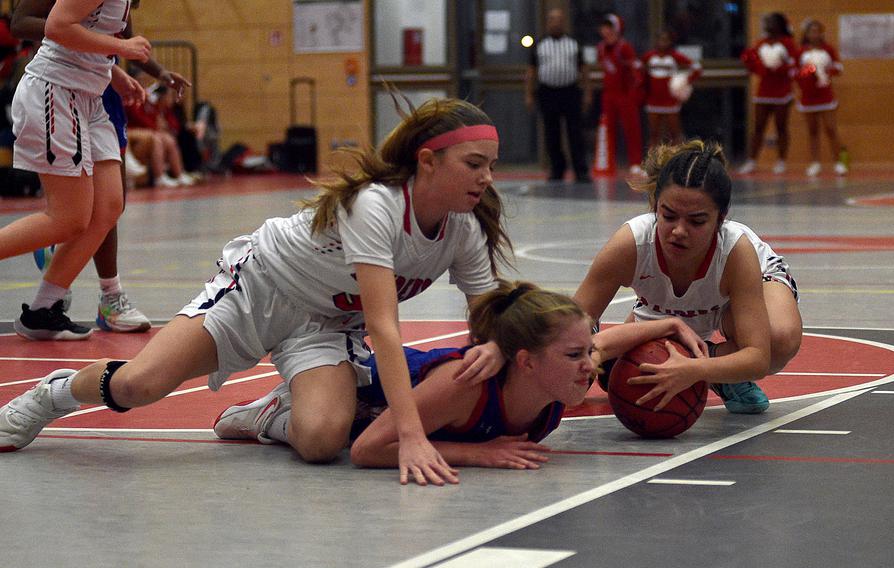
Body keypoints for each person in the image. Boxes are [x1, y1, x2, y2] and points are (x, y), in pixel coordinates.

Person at [0, 96, 513, 486]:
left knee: (320, 442)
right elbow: (384, 326)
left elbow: (486, 315)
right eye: (474, 164)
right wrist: (412, 436)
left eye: (491, 165)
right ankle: (54, 394)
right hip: (260, 286)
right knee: (140, 386)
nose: (486, 178)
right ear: (427, 161)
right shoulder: (377, 205)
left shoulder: (463, 229)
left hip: (328, 322)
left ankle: (265, 414)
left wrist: (492, 341)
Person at [214, 280, 706, 484]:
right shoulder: (464, 384)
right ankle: (271, 412)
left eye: (587, 353)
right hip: (355, 395)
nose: (590, 367)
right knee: (326, 441)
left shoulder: (553, 380)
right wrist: (478, 454)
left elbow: (608, 344)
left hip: (397, 415)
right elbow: (366, 450)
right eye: (576, 355)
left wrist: (666, 325)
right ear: (526, 362)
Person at [574, 140, 802, 414]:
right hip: (674, 299)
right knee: (615, 375)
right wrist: (584, 351)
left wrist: (696, 369)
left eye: (696, 221)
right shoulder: (631, 243)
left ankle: (719, 376)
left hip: (745, 286)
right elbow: (568, 323)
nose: (679, 231)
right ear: (654, 205)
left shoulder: (737, 251)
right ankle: (653, 333)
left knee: (778, 339)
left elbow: (758, 358)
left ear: (720, 219)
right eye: (668, 216)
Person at [11, 0, 192, 334]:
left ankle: (42, 309)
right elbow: (56, 27)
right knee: (68, 219)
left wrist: (112, 70)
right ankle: (102, 295)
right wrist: (121, 47)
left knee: (108, 207)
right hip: (57, 92)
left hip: (90, 97)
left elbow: (91, 29)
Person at [525, 8, 591, 183]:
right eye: (552, 19)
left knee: (575, 132)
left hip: (570, 91)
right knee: (551, 133)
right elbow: (531, 71)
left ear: (563, 22)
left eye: (559, 19)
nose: (556, 23)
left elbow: (583, 69)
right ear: (548, 22)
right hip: (548, 92)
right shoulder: (540, 44)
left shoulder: (574, 43)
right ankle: (557, 169)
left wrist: (587, 93)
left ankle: (581, 170)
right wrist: (529, 94)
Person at [738, 12, 798, 175]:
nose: (769, 25)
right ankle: (751, 161)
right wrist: (754, 66)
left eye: (772, 22)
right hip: (764, 91)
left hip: (782, 91)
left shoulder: (788, 43)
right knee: (758, 126)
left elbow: (794, 65)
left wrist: (779, 67)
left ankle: (781, 161)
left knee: (781, 127)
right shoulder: (760, 43)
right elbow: (752, 62)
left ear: (780, 24)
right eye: (767, 22)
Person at [795, 19, 847, 177]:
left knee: (831, 129)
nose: (814, 34)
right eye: (811, 31)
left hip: (825, 95)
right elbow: (795, 73)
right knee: (813, 130)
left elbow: (838, 67)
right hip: (808, 96)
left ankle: (839, 162)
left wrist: (827, 73)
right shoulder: (801, 52)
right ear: (807, 34)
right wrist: (808, 73)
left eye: (817, 31)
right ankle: (815, 163)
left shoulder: (828, 49)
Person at [597, 13, 644, 176]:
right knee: (608, 129)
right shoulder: (601, 48)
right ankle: (609, 162)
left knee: (632, 128)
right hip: (609, 95)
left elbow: (635, 69)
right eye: (604, 28)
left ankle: (636, 162)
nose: (606, 31)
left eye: (610, 27)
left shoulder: (624, 47)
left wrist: (635, 91)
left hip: (625, 94)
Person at [641, 30, 701, 147]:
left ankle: (678, 161)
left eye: (666, 40)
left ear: (670, 42)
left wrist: (685, 81)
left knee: (675, 133)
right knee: (654, 134)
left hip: (670, 100)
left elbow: (697, 68)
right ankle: (653, 162)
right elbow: (639, 72)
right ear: (656, 41)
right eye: (660, 39)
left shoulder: (675, 56)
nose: (663, 43)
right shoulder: (648, 56)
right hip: (653, 100)